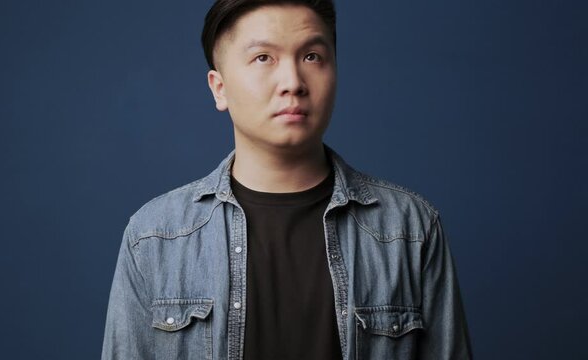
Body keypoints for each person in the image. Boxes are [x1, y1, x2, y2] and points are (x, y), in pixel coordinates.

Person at [101, 0, 473, 359]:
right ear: (220, 88)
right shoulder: (153, 236)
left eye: (312, 56)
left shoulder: (410, 228)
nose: (293, 81)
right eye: (264, 58)